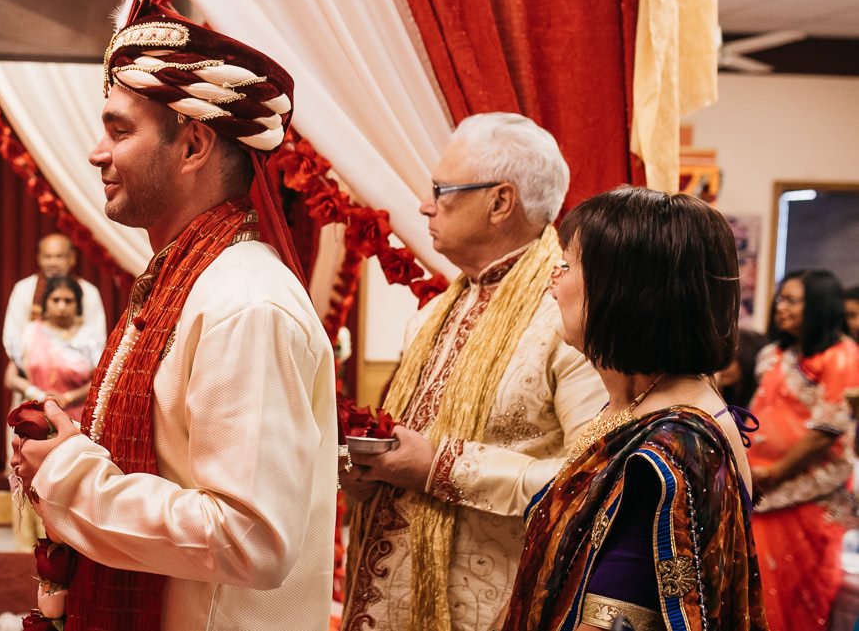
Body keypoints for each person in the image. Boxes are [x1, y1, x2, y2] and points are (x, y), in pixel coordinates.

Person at [13, 0, 336, 631]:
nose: (96, 152)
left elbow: (253, 537)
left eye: (118, 129)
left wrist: (73, 475)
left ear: (192, 144)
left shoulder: (244, 303)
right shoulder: (181, 282)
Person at [341, 113, 605, 631]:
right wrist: (368, 470)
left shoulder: (569, 318)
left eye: (441, 189)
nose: (424, 204)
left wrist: (442, 468)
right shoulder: (436, 312)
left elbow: (593, 482)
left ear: (500, 202)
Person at [498, 187, 766, 631]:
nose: (552, 282)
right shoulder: (649, 404)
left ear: (622, 292)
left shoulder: (668, 450)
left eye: (566, 265)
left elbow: (614, 617)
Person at [748, 268, 859, 631]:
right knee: (758, 593)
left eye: (792, 300)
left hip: (803, 495)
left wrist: (775, 473)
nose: (781, 307)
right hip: (761, 489)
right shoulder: (777, 353)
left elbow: (827, 430)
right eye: (780, 298)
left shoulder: (841, 356)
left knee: (798, 599)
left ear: (818, 306)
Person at [5, 275, 102, 422]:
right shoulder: (31, 332)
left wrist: (67, 398)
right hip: (34, 416)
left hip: (77, 421)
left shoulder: (89, 337)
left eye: (68, 301)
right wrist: (41, 396)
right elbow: (10, 378)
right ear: (45, 302)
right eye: (56, 300)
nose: (61, 306)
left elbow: (99, 381)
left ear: (78, 304)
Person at [2, 234, 107, 357]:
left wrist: (67, 365)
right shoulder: (23, 288)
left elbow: (97, 338)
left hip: (78, 370)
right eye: (48, 257)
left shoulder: (88, 291)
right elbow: (13, 337)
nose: (53, 262)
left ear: (72, 258)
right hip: (31, 369)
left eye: (59, 256)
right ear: (39, 258)